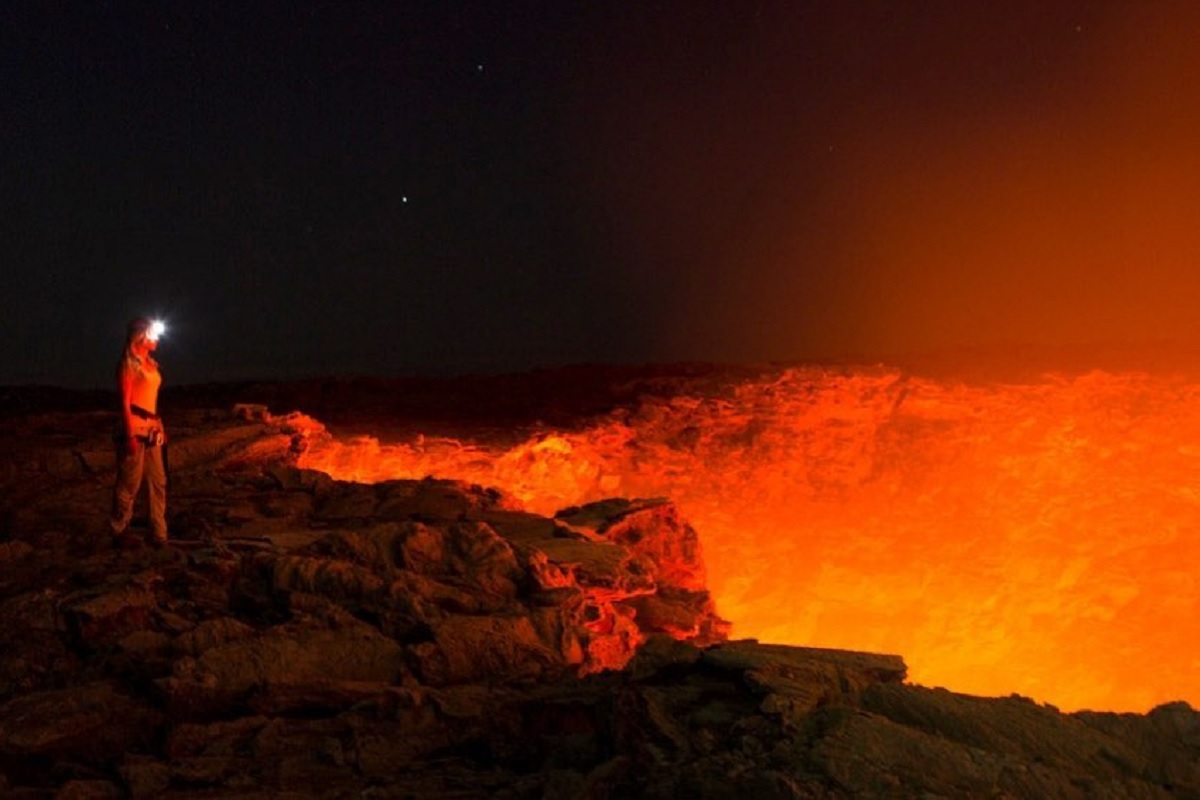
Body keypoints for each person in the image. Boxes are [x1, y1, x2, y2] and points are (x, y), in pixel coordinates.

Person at [109, 317, 169, 547]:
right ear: (141, 335)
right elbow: (124, 402)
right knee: (129, 482)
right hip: (134, 426)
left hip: (153, 427)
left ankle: (159, 532)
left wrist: (160, 425)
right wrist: (130, 433)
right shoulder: (128, 364)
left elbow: (152, 398)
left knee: (158, 481)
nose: (157, 339)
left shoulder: (152, 364)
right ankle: (118, 530)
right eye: (153, 334)